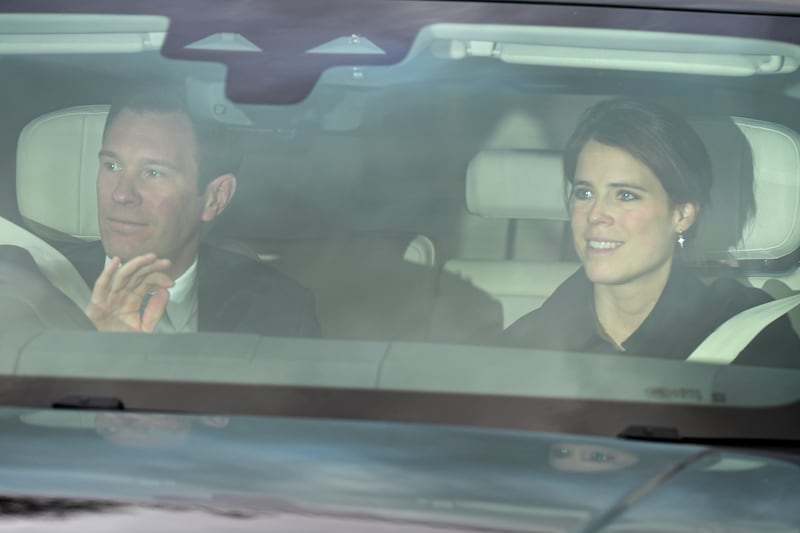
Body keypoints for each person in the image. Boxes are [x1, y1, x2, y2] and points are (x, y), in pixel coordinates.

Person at [502, 98, 800, 367]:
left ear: (682, 214)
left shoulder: (750, 338)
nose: (595, 214)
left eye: (626, 195)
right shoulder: (527, 342)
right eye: (584, 192)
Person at [61, 84, 320, 336]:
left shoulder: (281, 312)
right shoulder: (38, 285)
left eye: (153, 173)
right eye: (112, 166)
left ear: (214, 198)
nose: (121, 194)